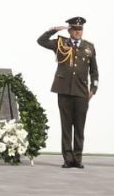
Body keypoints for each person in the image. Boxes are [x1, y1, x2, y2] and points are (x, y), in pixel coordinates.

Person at [37, 17, 98, 169]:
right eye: (75, 29)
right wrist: (53, 30)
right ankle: (68, 159)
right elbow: (41, 41)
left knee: (79, 126)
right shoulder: (60, 43)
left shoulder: (89, 47)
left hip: (82, 92)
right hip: (64, 91)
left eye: (80, 29)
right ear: (70, 30)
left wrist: (94, 88)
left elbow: (94, 71)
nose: (78, 32)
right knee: (66, 127)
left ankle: (78, 159)